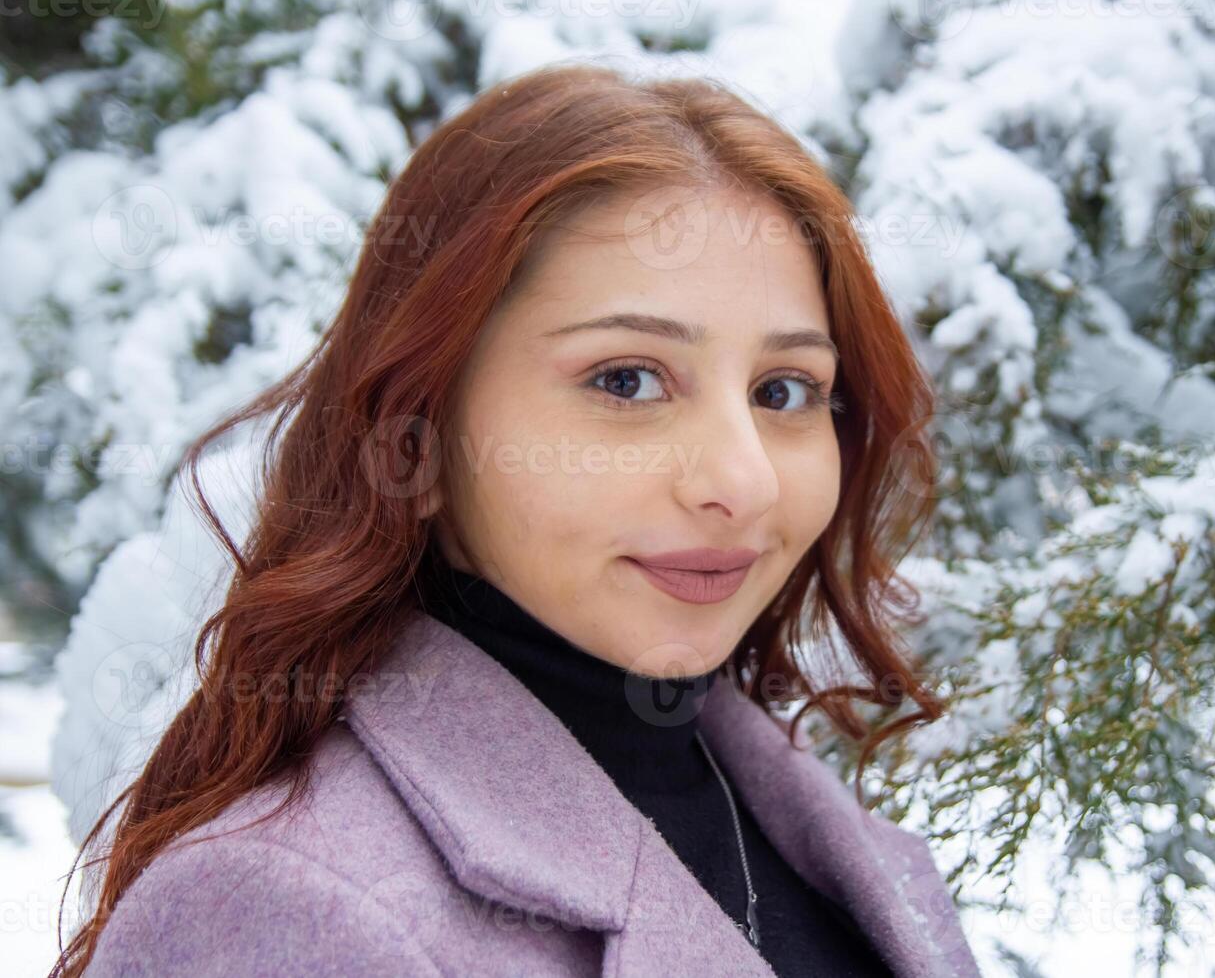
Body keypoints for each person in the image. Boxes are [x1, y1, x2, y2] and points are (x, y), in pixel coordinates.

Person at [53, 60, 980, 977]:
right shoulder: (286, 909)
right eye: (626, 380)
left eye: (785, 390)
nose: (743, 482)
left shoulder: (812, 834)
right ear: (416, 438)